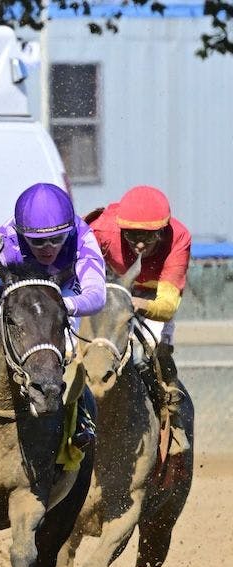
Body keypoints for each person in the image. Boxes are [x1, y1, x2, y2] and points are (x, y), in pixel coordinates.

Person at [0, 182, 106, 450]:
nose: (48, 248)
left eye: (57, 239)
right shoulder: (4, 239)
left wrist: (62, 307)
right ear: (21, 233)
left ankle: (80, 418)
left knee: (68, 352)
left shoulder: (82, 235)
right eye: (37, 241)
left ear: (69, 231)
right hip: (15, 293)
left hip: (61, 293)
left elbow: (97, 295)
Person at [86, 185, 191, 450]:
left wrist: (134, 303)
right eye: (132, 235)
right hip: (108, 288)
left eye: (149, 236)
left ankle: (171, 415)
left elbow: (166, 306)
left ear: (163, 230)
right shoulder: (100, 230)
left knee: (154, 349)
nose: (140, 244)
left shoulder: (179, 238)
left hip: (150, 296)